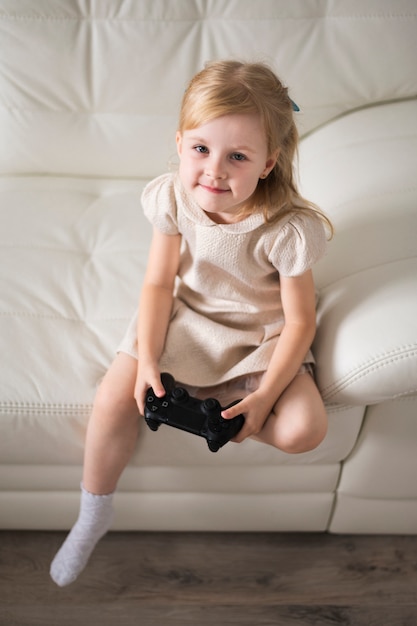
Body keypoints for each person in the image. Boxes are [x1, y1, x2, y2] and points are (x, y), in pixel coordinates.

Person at [50, 60, 333, 586]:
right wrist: (149, 358)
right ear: (180, 143)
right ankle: (93, 513)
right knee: (114, 398)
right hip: (187, 319)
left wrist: (267, 395)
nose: (215, 171)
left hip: (259, 336)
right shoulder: (172, 197)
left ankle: (223, 414)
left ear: (268, 163)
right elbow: (159, 284)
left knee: (305, 430)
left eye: (238, 157)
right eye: (201, 149)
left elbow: (300, 323)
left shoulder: (288, 230)